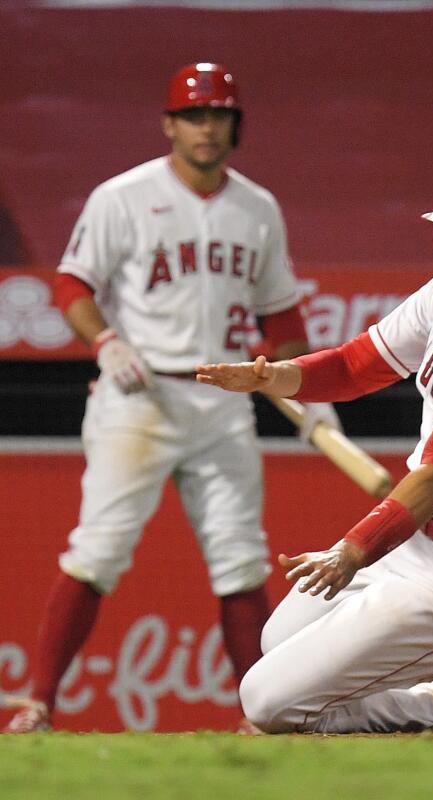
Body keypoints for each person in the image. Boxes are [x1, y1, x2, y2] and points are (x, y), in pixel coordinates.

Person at [2, 63, 337, 734]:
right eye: (194, 115)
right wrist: (105, 343)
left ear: (234, 126)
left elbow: (281, 317)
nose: (206, 127)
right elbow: (72, 286)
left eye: (218, 115)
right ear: (170, 124)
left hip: (222, 399)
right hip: (140, 395)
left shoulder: (257, 208)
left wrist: (312, 389)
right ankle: (39, 700)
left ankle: (257, 714)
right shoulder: (123, 196)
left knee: (241, 557)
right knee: (98, 550)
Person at [193, 160, 433, 734]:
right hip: (418, 544)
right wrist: (272, 376)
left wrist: (352, 551)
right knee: (277, 640)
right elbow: (358, 365)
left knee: (267, 704)